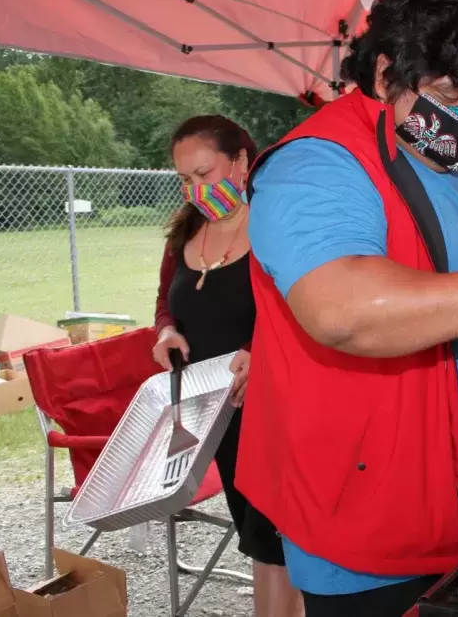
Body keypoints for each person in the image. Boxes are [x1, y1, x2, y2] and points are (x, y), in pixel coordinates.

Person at [236, 0, 458, 617]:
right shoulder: (318, 162)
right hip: (375, 537)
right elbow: (339, 306)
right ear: (386, 71)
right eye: (455, 88)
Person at [153, 115, 304, 617]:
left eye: (204, 173)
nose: (196, 189)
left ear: (241, 162)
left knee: (273, 544)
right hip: (218, 418)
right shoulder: (184, 234)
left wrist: (260, 346)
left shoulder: (272, 226)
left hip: (276, 413)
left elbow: (302, 305)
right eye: (185, 179)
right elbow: (165, 305)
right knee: (261, 537)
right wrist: (166, 332)